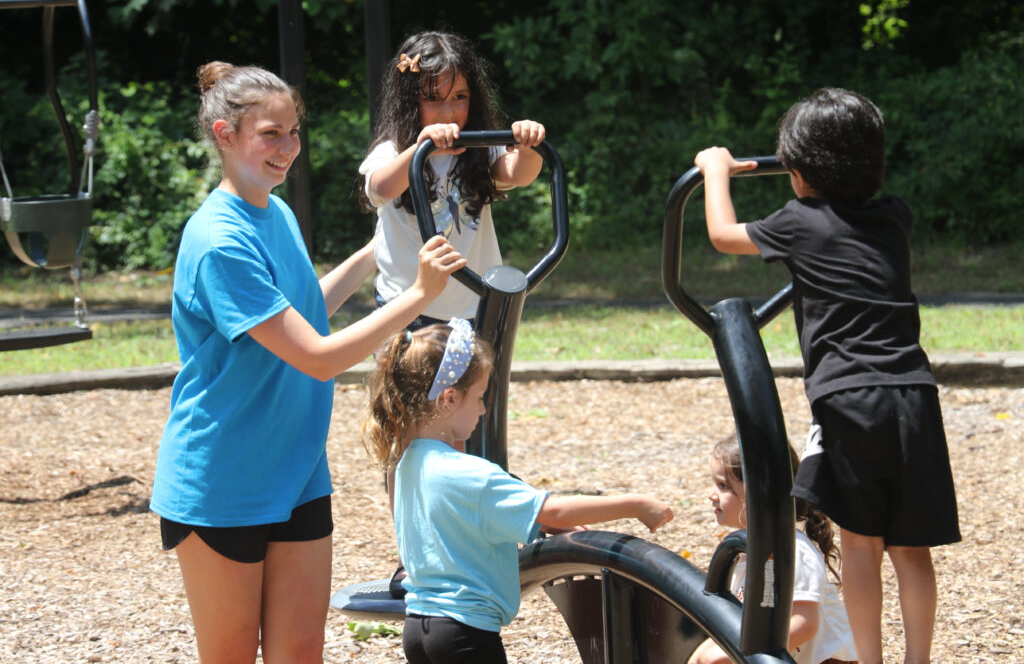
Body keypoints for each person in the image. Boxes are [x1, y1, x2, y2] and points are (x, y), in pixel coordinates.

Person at [149, 61, 466, 663]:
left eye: (294, 132)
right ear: (224, 134)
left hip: (295, 471)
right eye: (271, 134)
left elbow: (301, 315)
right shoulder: (220, 239)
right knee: (232, 655)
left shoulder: (275, 211)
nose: (287, 148)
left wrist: (381, 248)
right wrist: (419, 296)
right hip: (224, 480)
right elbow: (317, 358)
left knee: (300, 653)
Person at [693, 86, 960, 664]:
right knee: (912, 550)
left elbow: (722, 235)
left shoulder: (799, 221)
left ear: (797, 170)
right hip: (914, 395)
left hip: (848, 399)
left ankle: (872, 662)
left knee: (862, 545)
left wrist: (715, 169)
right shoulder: (895, 219)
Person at [361, 318, 675, 663]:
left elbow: (463, 523)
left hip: (418, 627)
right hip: (465, 634)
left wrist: (537, 523)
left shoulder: (406, 466)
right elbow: (553, 510)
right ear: (449, 399)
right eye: (479, 398)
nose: (482, 410)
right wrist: (636, 504)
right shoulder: (471, 474)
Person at [358, 29, 547, 330]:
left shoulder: (479, 149)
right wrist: (421, 150)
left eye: (459, 97)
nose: (448, 112)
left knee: (477, 379)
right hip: (404, 308)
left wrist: (528, 146)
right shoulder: (394, 149)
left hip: (474, 306)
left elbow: (517, 174)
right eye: (433, 98)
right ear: (409, 102)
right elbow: (380, 188)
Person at [688, 438, 857, 664]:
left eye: (724, 486)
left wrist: (737, 652)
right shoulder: (746, 549)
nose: (712, 494)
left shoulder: (793, 552)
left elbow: (804, 624)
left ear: (760, 493)